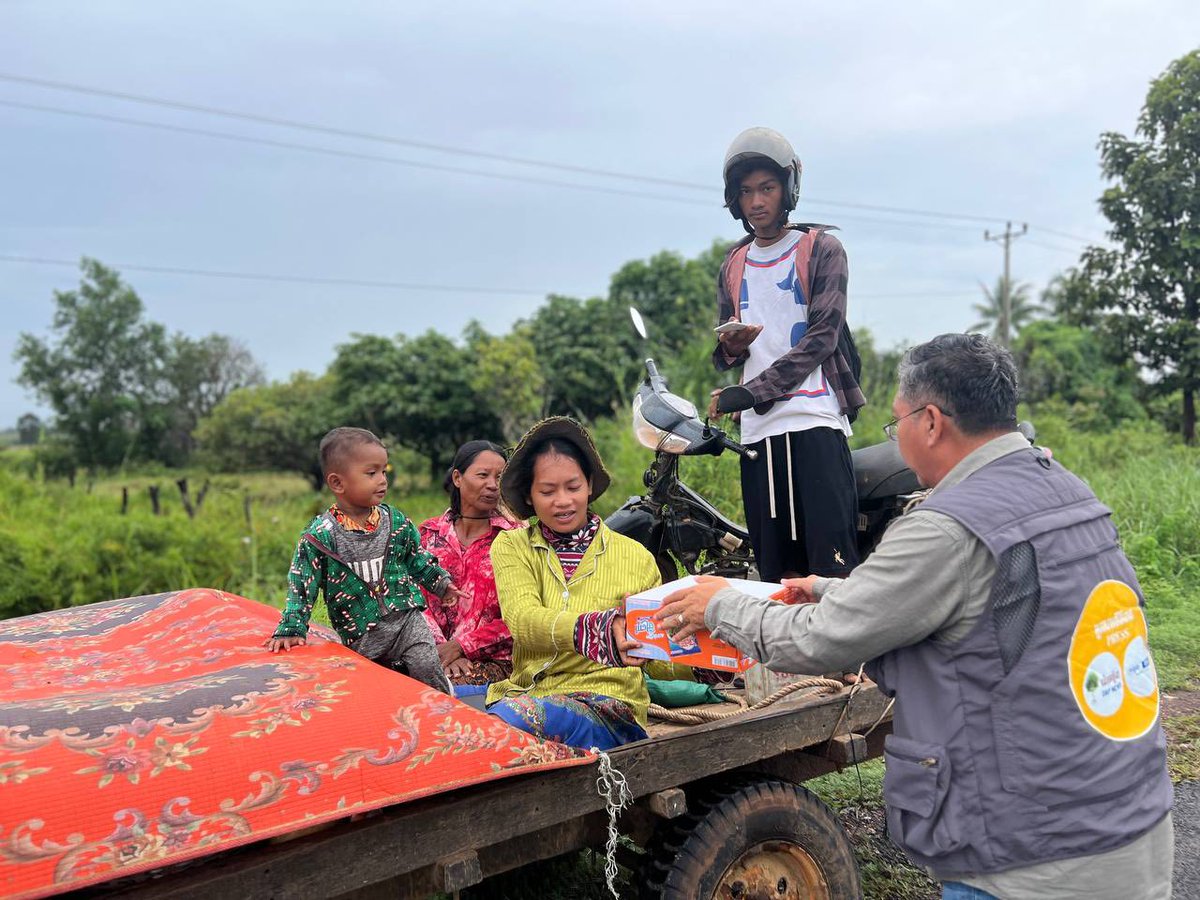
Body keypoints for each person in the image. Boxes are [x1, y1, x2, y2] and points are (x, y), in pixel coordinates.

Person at [657, 334, 1174, 899]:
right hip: (1132, 822)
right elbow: (969, 594)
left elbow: (821, 642)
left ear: (930, 422)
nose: (896, 437)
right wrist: (831, 587)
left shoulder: (946, 526)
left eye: (895, 421)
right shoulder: (1064, 488)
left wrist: (720, 604)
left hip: (1035, 861)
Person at [709, 126, 864, 583]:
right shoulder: (733, 264)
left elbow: (822, 336)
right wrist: (732, 349)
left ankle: (843, 658)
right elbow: (727, 355)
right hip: (758, 434)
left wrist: (752, 392)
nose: (756, 201)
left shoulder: (821, 249)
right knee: (775, 572)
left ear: (788, 188)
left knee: (829, 573)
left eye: (767, 188)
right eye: (746, 192)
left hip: (813, 419)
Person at [485, 417, 686, 750]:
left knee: (499, 728)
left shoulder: (635, 557)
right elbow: (522, 618)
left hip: (608, 704)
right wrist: (596, 630)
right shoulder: (512, 546)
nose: (562, 500)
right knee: (433, 710)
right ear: (530, 496)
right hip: (526, 693)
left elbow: (656, 655)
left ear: (590, 485)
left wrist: (703, 661)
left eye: (573, 487)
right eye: (547, 491)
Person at [267, 427, 456, 695]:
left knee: (425, 664)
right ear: (337, 483)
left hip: (406, 620)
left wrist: (440, 583)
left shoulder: (396, 522)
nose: (382, 480)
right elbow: (302, 585)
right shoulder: (320, 536)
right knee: (372, 687)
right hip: (361, 633)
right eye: (371, 473)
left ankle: (445, 704)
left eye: (383, 472)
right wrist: (292, 626)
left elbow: (416, 558)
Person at [419, 440, 520, 688]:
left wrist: (462, 646)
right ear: (457, 478)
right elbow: (412, 599)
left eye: (500, 477)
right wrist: (440, 650)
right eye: (482, 475)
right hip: (428, 652)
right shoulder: (428, 534)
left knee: (449, 690)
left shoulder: (515, 539)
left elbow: (521, 615)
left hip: (492, 660)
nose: (492, 485)